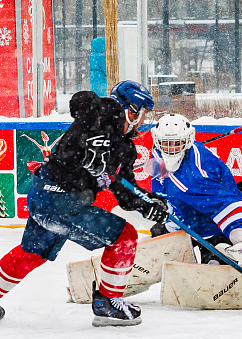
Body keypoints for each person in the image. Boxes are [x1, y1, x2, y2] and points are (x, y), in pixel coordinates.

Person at [0, 81, 169, 326]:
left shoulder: (124, 149)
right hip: (61, 201)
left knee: (32, 253)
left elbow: (125, 192)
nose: (142, 121)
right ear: (130, 110)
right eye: (141, 113)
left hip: (44, 197)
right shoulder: (101, 114)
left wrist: (150, 204)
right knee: (125, 237)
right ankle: (108, 302)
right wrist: (95, 139)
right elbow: (83, 100)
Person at [149, 113, 242, 277]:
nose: (171, 149)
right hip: (188, 220)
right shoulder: (157, 155)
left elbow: (228, 205)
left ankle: (216, 256)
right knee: (157, 234)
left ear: (187, 140)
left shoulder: (199, 176)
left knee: (213, 271)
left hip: (216, 227)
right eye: (167, 143)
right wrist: (167, 221)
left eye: (177, 143)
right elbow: (163, 192)